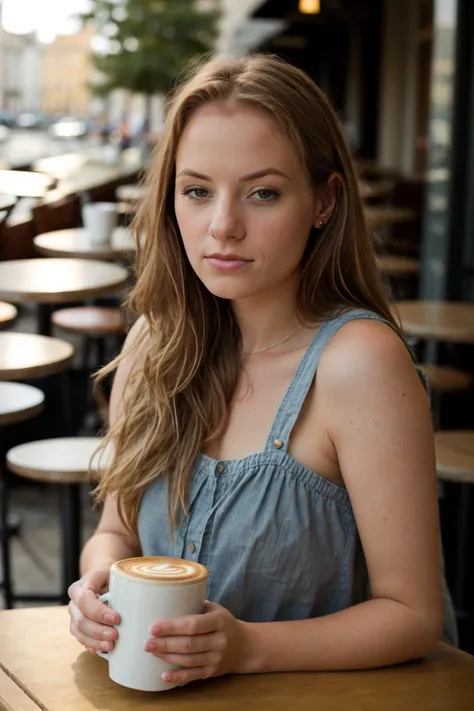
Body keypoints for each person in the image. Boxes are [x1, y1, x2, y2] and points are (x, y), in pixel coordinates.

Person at [68, 54, 457, 685]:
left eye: (263, 193)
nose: (223, 226)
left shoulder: (358, 364)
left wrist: (246, 648)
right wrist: (98, 587)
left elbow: (412, 614)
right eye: (197, 191)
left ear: (325, 201)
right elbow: (115, 531)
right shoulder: (152, 346)